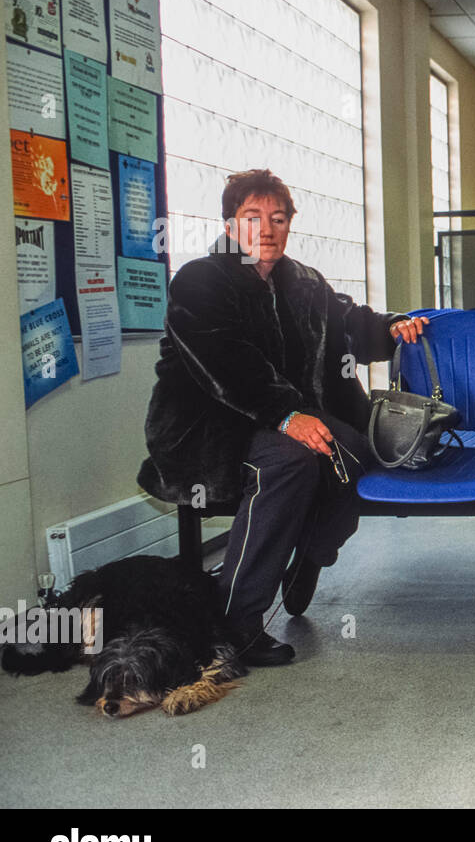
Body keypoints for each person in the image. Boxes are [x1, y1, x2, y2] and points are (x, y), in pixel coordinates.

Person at [137, 170, 427, 665]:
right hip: (213, 428)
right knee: (291, 461)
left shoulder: (303, 282)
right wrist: (285, 415)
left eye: (277, 218)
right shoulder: (200, 280)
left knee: (356, 449)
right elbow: (225, 361)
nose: (267, 229)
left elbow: (349, 320)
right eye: (253, 218)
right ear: (230, 224)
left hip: (281, 417)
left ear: (290, 224)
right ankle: (237, 624)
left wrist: (393, 325)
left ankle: (309, 555)